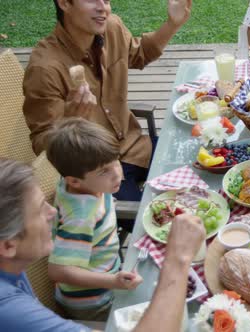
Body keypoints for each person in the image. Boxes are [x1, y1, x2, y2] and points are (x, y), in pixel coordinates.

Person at [0, 158, 205, 331]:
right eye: (38, 210)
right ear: (8, 246)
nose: (53, 212)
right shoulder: (10, 311)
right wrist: (178, 258)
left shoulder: (11, 268)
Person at [22, 0, 193, 204]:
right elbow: (42, 144)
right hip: (97, 172)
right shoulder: (45, 68)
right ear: (64, 3)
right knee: (159, 217)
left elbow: (140, 54)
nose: (103, 7)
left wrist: (172, 23)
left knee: (198, 161)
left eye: (107, 0)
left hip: (136, 147)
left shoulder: (112, 27)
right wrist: (70, 121)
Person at [42, 118, 140, 320]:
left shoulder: (86, 181)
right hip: (94, 301)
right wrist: (113, 282)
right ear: (74, 181)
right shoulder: (81, 216)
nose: (118, 175)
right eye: (105, 171)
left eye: (117, 161)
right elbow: (58, 270)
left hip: (109, 273)